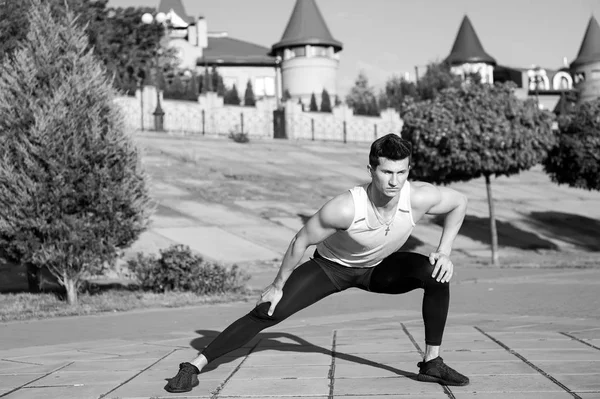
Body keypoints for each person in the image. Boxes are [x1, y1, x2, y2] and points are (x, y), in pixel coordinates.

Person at [165, 133, 470, 393]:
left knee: (436, 273)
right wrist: (276, 285)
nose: (394, 181)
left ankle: (432, 363)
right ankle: (194, 366)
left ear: (408, 170)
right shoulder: (345, 208)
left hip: (378, 269)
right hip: (331, 268)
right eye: (387, 172)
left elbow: (459, 202)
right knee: (267, 311)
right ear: (371, 169)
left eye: (401, 173)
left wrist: (444, 250)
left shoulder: (417, 197)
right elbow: (301, 240)